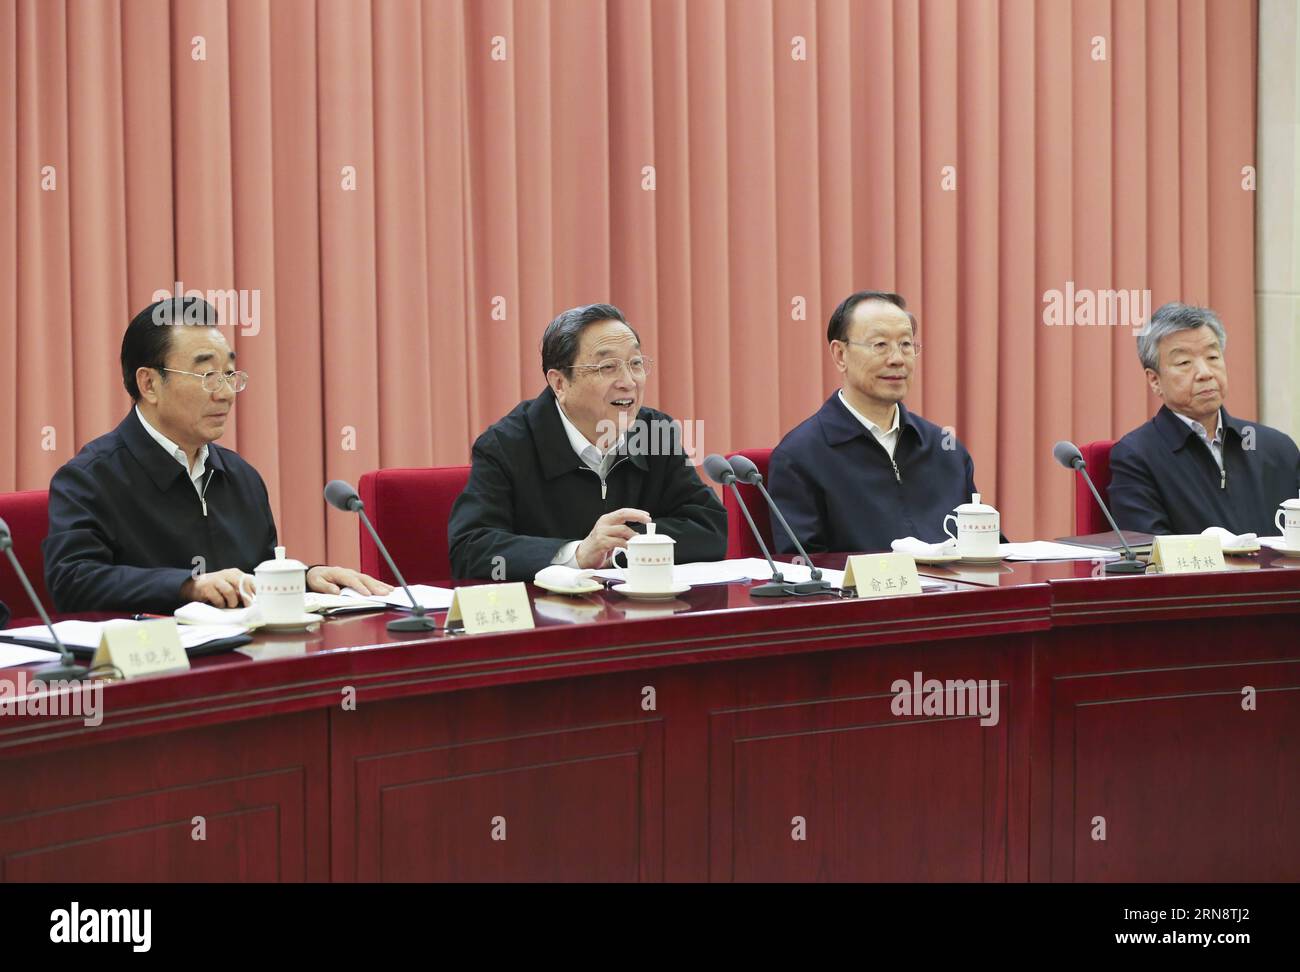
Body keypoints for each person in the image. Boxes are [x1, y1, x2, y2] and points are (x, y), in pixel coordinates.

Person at [43, 297, 392, 612]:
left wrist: (305, 578)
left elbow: (251, 578)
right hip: (152, 666)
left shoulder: (240, 476)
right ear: (149, 384)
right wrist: (187, 586)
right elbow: (73, 582)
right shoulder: (90, 479)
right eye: (208, 375)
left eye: (229, 374)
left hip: (243, 660)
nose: (225, 393)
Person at [448, 303, 727, 579]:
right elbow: (472, 550)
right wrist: (577, 554)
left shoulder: (655, 433)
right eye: (607, 367)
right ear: (560, 384)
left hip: (640, 611)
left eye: (636, 364)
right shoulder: (507, 445)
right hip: (547, 616)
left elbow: (710, 529)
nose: (628, 381)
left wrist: (622, 546)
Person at [767, 290, 983, 553]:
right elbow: (806, 570)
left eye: (906, 345)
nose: (897, 359)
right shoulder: (800, 456)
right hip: (863, 594)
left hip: (952, 592)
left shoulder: (946, 450)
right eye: (880, 345)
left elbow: (984, 547)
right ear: (840, 355)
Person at [1109, 301, 1300, 536]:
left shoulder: (1278, 448)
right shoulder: (1136, 457)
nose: (1205, 373)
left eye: (1212, 356)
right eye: (1184, 363)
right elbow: (1149, 554)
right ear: (1154, 380)